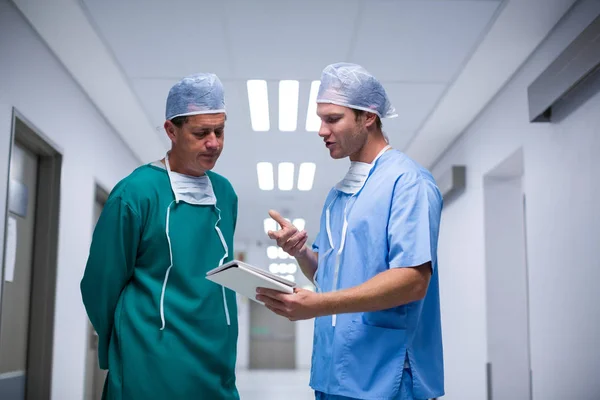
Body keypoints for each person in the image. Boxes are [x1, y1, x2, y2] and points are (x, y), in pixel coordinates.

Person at [257, 62, 444, 400]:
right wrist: (301, 253)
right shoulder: (338, 195)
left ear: (368, 117)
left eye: (332, 119)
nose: (321, 130)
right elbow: (329, 277)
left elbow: (414, 280)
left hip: (384, 376)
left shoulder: (408, 183)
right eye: (320, 119)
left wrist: (320, 305)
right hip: (333, 375)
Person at [81, 73, 240, 399]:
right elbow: (102, 284)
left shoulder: (225, 193)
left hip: (215, 357)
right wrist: (129, 342)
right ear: (171, 130)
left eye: (219, 131)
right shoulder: (136, 193)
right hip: (150, 356)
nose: (214, 143)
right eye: (201, 133)